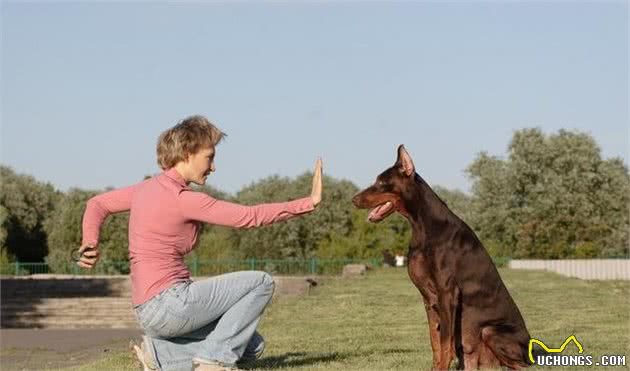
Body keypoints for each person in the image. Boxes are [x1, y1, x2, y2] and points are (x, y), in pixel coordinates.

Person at [75, 115, 323, 371]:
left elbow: (97, 204)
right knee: (261, 282)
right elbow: (250, 217)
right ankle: (212, 362)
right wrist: (308, 202)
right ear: (187, 153)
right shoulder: (184, 199)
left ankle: (160, 354)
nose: (213, 167)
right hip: (171, 304)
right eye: (209, 157)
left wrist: (89, 242)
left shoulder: (144, 189)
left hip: (147, 311)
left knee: (252, 346)